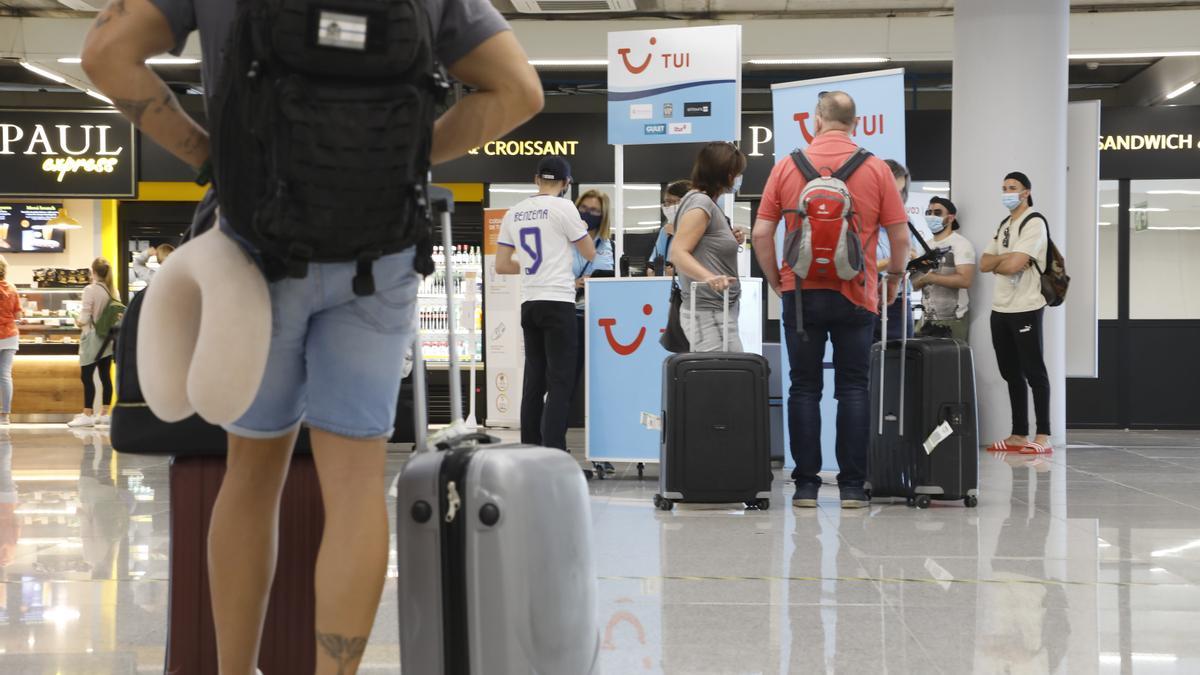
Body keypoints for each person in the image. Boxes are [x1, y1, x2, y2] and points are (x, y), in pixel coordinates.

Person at [82, 0, 543, 672]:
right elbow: (520, 92)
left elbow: (104, 52)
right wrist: (406, 160)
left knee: (251, 476)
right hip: (378, 256)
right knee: (354, 488)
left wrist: (210, 154)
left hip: (255, 253)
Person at [751, 91, 909, 509]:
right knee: (854, 388)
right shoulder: (875, 168)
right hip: (858, 293)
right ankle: (853, 488)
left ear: (816, 121)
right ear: (855, 123)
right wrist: (892, 278)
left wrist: (776, 280)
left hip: (801, 295)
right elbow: (900, 236)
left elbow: (761, 234)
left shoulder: (786, 166)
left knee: (804, 387)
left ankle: (805, 487)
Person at [495, 156, 596, 452]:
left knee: (534, 379)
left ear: (536, 179)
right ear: (566, 183)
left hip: (530, 303)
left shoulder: (513, 213)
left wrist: (529, 268)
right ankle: (554, 452)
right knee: (560, 382)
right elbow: (589, 252)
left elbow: (502, 265)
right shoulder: (564, 207)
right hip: (558, 301)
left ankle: (530, 449)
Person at [980, 171, 1052, 455]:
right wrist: (1005, 260)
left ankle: (1043, 434)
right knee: (1010, 372)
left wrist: (1006, 262)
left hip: (1027, 307)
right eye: (1004, 188)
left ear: (1026, 192)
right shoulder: (1005, 224)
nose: (1007, 192)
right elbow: (985, 263)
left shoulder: (1034, 222)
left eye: (1012, 188)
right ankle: (1018, 433)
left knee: (1035, 371)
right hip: (1001, 308)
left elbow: (1015, 265)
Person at [670, 142, 747, 352]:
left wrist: (729, 238)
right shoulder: (700, 204)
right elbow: (677, 252)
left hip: (716, 311)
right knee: (723, 379)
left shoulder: (706, 204)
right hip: (708, 314)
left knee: (726, 377)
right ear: (726, 174)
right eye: (736, 173)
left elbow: (704, 244)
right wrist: (709, 277)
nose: (739, 178)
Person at [569, 189, 614, 421]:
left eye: (595, 210)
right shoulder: (564, 239)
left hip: (597, 318)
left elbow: (605, 270)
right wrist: (573, 282)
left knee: (602, 381)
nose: (588, 214)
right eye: (584, 208)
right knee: (566, 380)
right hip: (569, 315)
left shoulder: (605, 243)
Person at [913, 196, 976, 341]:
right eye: (929, 213)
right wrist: (921, 276)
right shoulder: (924, 246)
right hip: (926, 318)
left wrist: (932, 277)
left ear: (950, 218)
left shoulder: (961, 244)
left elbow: (965, 280)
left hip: (953, 320)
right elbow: (914, 284)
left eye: (937, 212)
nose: (931, 216)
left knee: (950, 362)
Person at [70, 258, 118, 429]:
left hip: (91, 338)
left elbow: (84, 317)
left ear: (94, 272)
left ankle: (87, 414)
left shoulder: (90, 289)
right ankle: (105, 414)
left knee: (87, 376)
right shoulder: (113, 290)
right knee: (105, 376)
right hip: (107, 340)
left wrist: (77, 320)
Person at [875, 160, 918, 340]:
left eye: (900, 192)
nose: (896, 197)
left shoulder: (907, 222)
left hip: (900, 299)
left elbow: (912, 256)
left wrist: (915, 264)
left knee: (901, 359)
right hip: (870, 300)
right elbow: (857, 267)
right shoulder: (861, 221)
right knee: (867, 361)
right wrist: (894, 262)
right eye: (892, 190)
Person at [646, 179, 692, 277]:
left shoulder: (700, 228)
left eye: (673, 202)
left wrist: (677, 233)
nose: (669, 207)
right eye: (667, 203)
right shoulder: (665, 231)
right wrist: (656, 272)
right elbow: (652, 267)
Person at [0, 257, 20, 426]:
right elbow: (18, 315)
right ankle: (5, 416)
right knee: (5, 376)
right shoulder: (12, 288)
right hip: (10, 335)